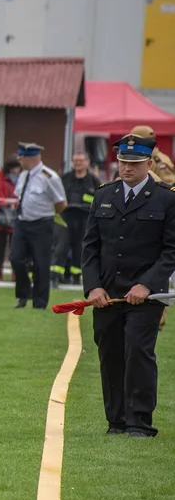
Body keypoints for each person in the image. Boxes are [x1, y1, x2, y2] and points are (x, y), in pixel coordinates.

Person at [82, 133, 175, 437]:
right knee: (110, 353)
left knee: (137, 350)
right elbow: (91, 247)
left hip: (146, 295)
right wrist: (93, 287)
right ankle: (117, 420)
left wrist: (147, 285)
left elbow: (170, 251)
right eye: (123, 162)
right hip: (107, 294)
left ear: (149, 162)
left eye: (134, 163)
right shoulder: (103, 195)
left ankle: (139, 422)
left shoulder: (167, 198)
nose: (127, 168)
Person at [10, 143, 67, 309]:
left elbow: (61, 203)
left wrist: (48, 214)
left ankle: (40, 302)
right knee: (16, 259)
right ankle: (23, 294)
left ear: (31, 158)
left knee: (41, 264)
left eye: (21, 157)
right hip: (22, 222)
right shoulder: (23, 175)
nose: (19, 160)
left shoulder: (49, 177)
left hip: (41, 224)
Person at [52, 152, 100, 286]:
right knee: (61, 246)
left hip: (85, 218)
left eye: (80, 161)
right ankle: (56, 276)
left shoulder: (93, 181)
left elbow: (99, 199)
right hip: (65, 217)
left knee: (81, 248)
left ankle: (75, 276)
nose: (78, 163)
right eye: (75, 161)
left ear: (87, 162)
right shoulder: (65, 178)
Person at [0, 156, 21, 282]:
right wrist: (8, 203)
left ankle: (14, 272)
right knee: (0, 245)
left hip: (16, 215)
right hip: (1, 215)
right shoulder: (0, 175)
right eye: (14, 167)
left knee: (15, 246)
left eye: (18, 168)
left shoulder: (22, 177)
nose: (16, 170)